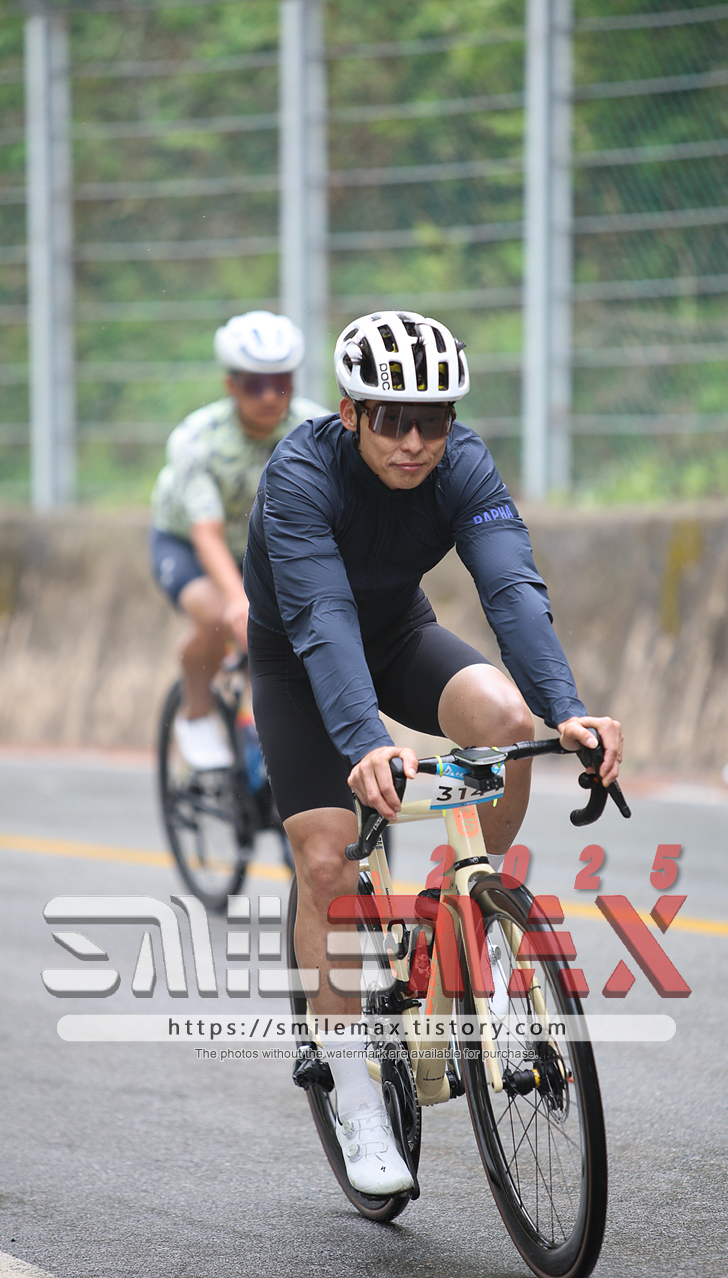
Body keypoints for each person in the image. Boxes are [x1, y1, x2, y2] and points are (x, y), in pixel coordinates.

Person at [243, 310, 624, 1195]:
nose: (414, 442)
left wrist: (568, 711)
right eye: (391, 419)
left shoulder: (464, 465)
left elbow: (511, 587)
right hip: (300, 659)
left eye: (434, 420)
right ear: (349, 412)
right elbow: (321, 620)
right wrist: (367, 744)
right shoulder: (299, 476)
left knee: (506, 719)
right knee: (328, 860)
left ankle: (471, 918)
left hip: (399, 637)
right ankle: (352, 1091)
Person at [149, 311, 328, 769]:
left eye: (280, 383)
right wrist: (237, 601)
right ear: (231, 385)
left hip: (263, 548)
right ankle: (196, 713)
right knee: (217, 616)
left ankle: (264, 732)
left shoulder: (317, 430)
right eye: (254, 385)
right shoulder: (198, 440)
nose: (269, 396)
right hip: (188, 544)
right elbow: (205, 534)